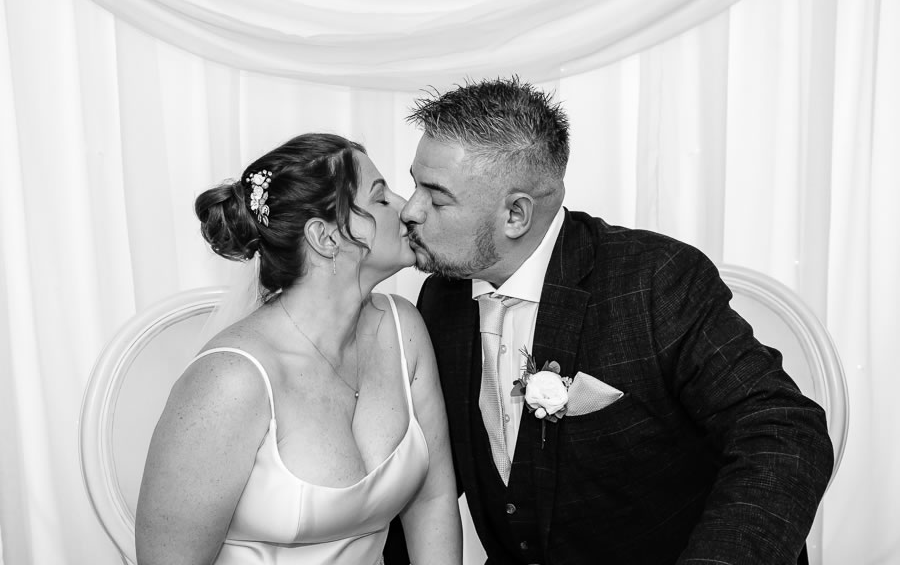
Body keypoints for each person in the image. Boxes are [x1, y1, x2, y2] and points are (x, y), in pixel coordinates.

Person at [384, 78, 834, 564]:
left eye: (436, 197)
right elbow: (428, 476)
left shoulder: (655, 279)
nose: (410, 210)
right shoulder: (441, 299)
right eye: (414, 184)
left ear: (516, 214)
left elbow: (785, 431)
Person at [135, 133, 462, 565]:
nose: (407, 208)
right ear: (325, 237)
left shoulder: (404, 329)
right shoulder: (233, 380)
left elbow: (432, 501)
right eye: (381, 198)